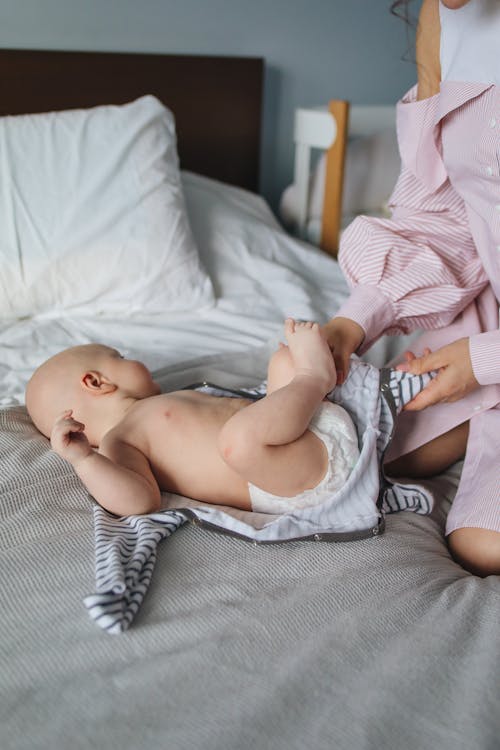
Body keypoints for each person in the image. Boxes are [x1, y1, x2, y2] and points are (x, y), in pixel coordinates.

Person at [322, 0, 500, 576]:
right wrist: (358, 317)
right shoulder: (444, 15)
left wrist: (480, 361)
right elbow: (445, 211)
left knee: (484, 547)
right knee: (391, 449)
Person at [25, 319, 362, 518]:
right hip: (292, 480)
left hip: (309, 431)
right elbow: (139, 500)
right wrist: (84, 460)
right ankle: (314, 378)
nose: (134, 361)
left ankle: (307, 375)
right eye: (121, 357)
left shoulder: (158, 404)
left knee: (282, 361)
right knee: (237, 443)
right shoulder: (120, 440)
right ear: (97, 382)